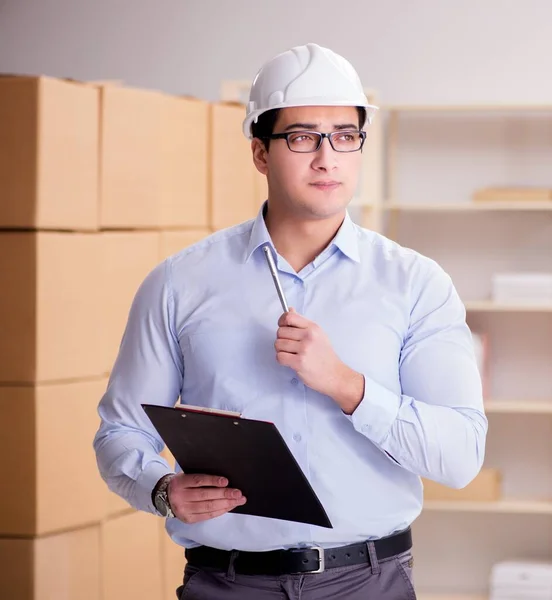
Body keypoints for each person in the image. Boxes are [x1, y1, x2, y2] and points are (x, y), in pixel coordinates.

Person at [94, 42, 488, 600]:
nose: (327, 157)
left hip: (370, 583)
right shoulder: (179, 283)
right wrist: (160, 490)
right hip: (225, 583)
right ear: (260, 152)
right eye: (302, 137)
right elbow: (120, 431)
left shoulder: (416, 284)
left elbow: (460, 456)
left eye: (345, 136)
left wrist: (346, 385)